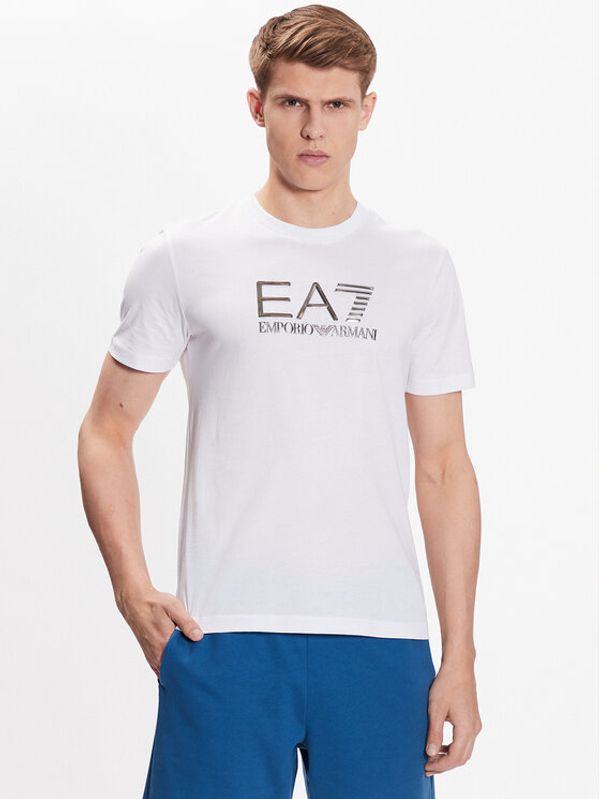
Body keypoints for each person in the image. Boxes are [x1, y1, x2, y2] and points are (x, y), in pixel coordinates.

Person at [77, 4, 483, 797]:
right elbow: (104, 431)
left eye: (336, 104)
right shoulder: (184, 257)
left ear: (367, 110)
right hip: (224, 633)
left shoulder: (418, 267)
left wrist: (459, 653)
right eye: (293, 101)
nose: (314, 128)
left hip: (380, 637)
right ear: (257, 106)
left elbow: (444, 466)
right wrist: (132, 588)